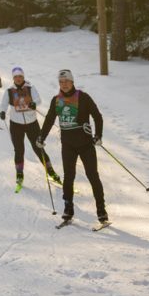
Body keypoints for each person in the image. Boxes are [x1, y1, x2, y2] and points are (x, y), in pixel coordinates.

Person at [38, 70, 108, 226]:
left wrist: (98, 135)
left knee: (93, 176)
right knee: (68, 177)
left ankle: (101, 210)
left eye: (66, 81)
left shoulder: (83, 97)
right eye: (61, 82)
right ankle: (68, 209)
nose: (64, 84)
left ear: (72, 82)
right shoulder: (56, 100)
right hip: (68, 145)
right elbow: (49, 120)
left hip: (85, 145)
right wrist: (41, 137)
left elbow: (97, 116)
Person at [0, 67, 58, 191]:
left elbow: (38, 99)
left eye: (20, 76)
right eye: (16, 77)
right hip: (16, 124)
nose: (18, 79)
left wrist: (34, 103)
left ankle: (51, 171)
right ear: (13, 78)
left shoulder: (31, 88)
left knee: (38, 148)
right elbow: (3, 104)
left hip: (32, 123)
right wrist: (2, 111)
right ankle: (19, 174)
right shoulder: (9, 91)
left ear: (23, 77)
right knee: (19, 150)